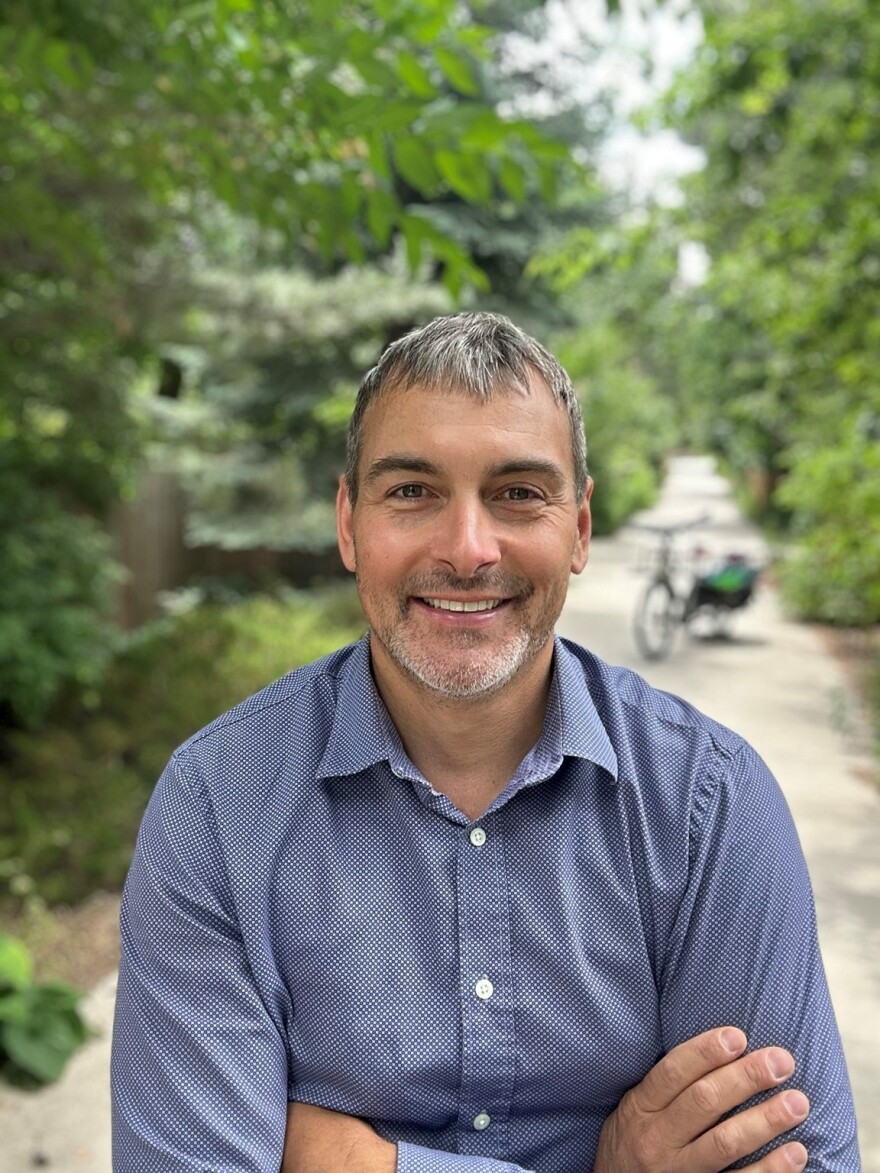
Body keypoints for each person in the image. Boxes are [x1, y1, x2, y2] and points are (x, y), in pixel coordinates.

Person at [111, 313, 859, 1172]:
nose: (468, 551)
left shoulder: (709, 805)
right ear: (350, 525)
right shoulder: (217, 806)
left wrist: (352, 1159)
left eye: (517, 493)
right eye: (412, 491)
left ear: (578, 528)